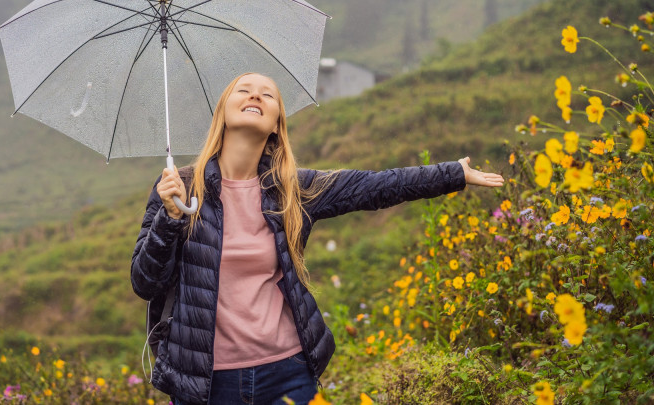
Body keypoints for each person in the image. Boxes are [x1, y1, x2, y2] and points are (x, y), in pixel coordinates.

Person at [131, 73, 504, 405]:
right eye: (243, 90)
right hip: (205, 383)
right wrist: (171, 215)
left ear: (277, 124)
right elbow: (145, 282)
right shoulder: (179, 188)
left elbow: (376, 186)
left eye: (268, 95)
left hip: (287, 371)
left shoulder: (294, 189)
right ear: (222, 113)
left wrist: (453, 173)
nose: (256, 96)